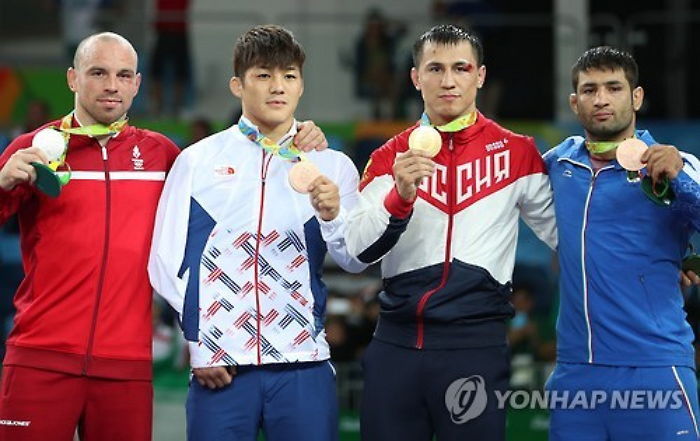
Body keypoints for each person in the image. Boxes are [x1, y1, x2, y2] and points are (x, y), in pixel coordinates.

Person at [0, 31, 328, 441]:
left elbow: (233, 205)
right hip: (39, 359)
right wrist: (1, 183)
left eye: (123, 75)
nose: (111, 85)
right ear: (72, 78)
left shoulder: (163, 157)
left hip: (127, 366)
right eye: (98, 72)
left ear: (137, 84)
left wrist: (298, 134)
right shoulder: (32, 150)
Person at [148, 24, 366, 441]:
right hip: (222, 369)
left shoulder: (331, 163)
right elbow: (164, 261)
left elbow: (354, 260)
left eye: (289, 75)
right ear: (237, 84)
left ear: (301, 85)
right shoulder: (197, 161)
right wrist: (200, 343)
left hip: (303, 363)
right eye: (263, 75)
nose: (277, 87)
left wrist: (334, 215)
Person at [345, 24, 557, 441]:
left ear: (479, 76)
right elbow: (357, 253)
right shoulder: (389, 156)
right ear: (415, 78)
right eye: (435, 68)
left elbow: (571, 237)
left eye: (460, 68)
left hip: (475, 349)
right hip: (396, 346)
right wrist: (399, 198)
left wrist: (656, 261)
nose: (448, 80)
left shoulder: (517, 152)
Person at [544, 46, 700, 441]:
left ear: (636, 97)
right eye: (590, 89)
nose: (601, 99)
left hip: (655, 368)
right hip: (576, 375)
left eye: (614, 87)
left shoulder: (677, 162)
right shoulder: (557, 165)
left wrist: (679, 181)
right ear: (574, 102)